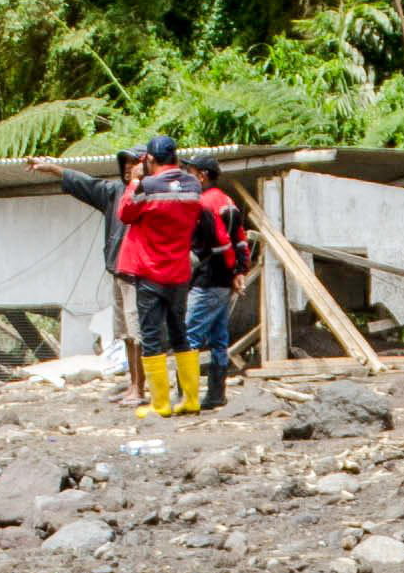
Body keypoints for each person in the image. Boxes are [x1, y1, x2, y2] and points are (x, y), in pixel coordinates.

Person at [28, 135, 213, 411]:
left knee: (145, 335)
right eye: (125, 165)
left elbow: (127, 213)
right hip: (158, 271)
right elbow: (85, 183)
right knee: (151, 334)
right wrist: (55, 169)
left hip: (146, 273)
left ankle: (155, 398)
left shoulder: (145, 189)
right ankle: (176, 395)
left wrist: (138, 182)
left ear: (148, 161)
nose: (129, 169)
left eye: (134, 163)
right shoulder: (188, 186)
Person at [179, 150, 251, 408]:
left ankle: (186, 397)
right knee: (219, 337)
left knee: (189, 337)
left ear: (202, 176)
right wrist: (239, 272)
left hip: (208, 281)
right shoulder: (227, 201)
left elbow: (220, 246)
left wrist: (230, 269)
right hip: (224, 281)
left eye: (190, 172)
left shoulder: (204, 205)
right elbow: (240, 239)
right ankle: (216, 394)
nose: (187, 176)